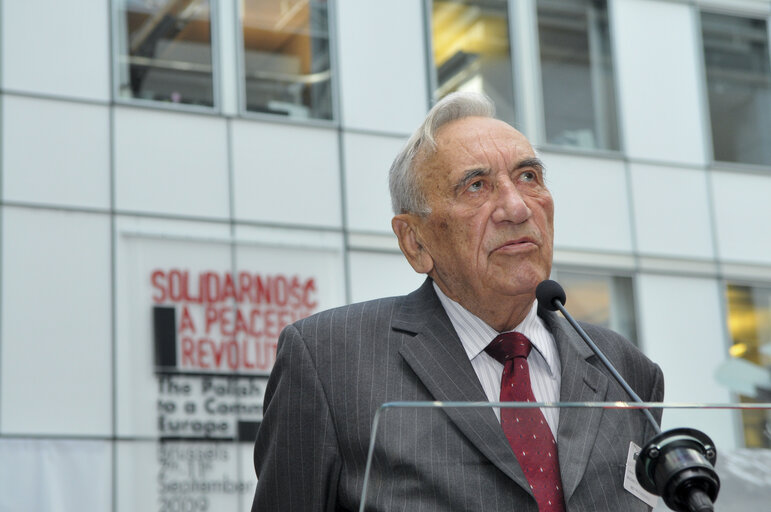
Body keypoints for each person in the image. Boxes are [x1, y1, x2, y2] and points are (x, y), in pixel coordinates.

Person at [251, 91, 664, 511]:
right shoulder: (329, 361)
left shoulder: (626, 371)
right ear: (415, 242)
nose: (517, 208)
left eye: (528, 177)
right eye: (476, 186)